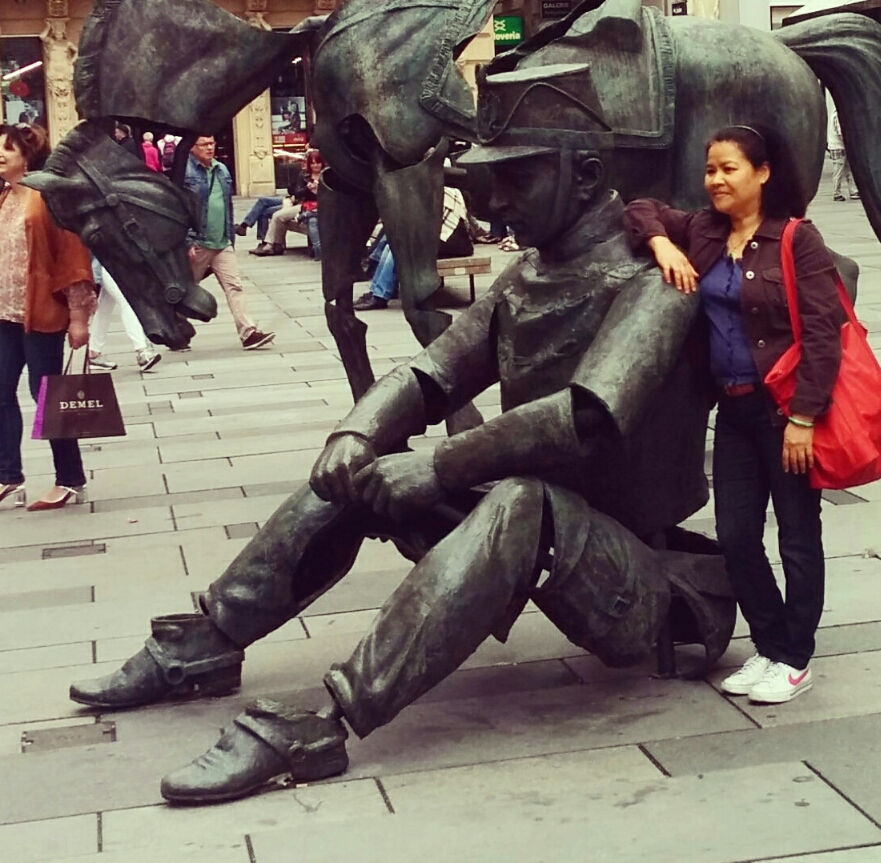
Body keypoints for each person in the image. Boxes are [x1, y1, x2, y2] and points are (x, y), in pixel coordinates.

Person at [68, 64, 733, 805]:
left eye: (517, 178)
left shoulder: (657, 280)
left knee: (519, 501)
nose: (497, 201)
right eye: (492, 181)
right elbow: (431, 373)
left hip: (655, 590)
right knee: (361, 475)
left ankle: (328, 721)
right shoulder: (526, 279)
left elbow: (583, 416)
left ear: (586, 175)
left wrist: (440, 467)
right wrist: (356, 435)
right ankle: (208, 641)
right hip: (554, 540)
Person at [624, 124, 844, 704]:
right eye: (710, 170)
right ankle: (768, 645)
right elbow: (640, 208)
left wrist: (804, 418)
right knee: (737, 536)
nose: (716, 180)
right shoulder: (704, 230)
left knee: (797, 538)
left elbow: (824, 335)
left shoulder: (796, 239)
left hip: (785, 414)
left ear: (762, 173)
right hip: (734, 411)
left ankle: (795, 657)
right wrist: (662, 244)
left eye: (729, 169)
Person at [0, 124, 95, 511]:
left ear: (27, 157)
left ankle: (70, 479)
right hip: (5, 315)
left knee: (48, 398)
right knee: (0, 393)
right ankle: (8, 476)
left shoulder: (48, 198)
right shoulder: (4, 196)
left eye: (7, 149)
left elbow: (73, 257)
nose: (0, 155)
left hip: (42, 314)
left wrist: (79, 317)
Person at [184, 136, 275, 350]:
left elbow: (227, 206)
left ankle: (248, 332)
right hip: (199, 242)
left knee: (235, 286)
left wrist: (230, 238)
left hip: (222, 242)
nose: (210, 147)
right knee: (186, 290)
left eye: (212, 143)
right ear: (193, 148)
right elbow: (180, 208)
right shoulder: (186, 172)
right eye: (204, 144)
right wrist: (187, 240)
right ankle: (174, 329)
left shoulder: (222, 170)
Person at [354, 186, 474, 310]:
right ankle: (376, 291)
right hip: (439, 239)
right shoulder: (426, 194)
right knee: (394, 244)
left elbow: (427, 228)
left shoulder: (437, 195)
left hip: (452, 243)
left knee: (399, 248)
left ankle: (379, 296)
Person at [88, 257, 161, 373]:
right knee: (127, 301)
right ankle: (142, 351)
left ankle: (94, 352)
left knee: (105, 307)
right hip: (109, 263)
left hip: (109, 263)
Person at [250, 149, 326, 257]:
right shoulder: (305, 175)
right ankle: (275, 245)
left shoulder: (326, 175)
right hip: (304, 206)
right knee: (277, 216)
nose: (315, 166)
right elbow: (297, 193)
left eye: (318, 162)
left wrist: (320, 189)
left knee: (274, 213)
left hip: (320, 207)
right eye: (313, 163)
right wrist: (307, 188)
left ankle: (270, 246)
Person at [827, 110, 858, 202]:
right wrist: (850, 144)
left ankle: (853, 191)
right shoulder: (838, 116)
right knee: (839, 171)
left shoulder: (835, 115)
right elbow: (841, 134)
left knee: (848, 170)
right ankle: (837, 193)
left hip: (839, 147)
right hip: (839, 147)